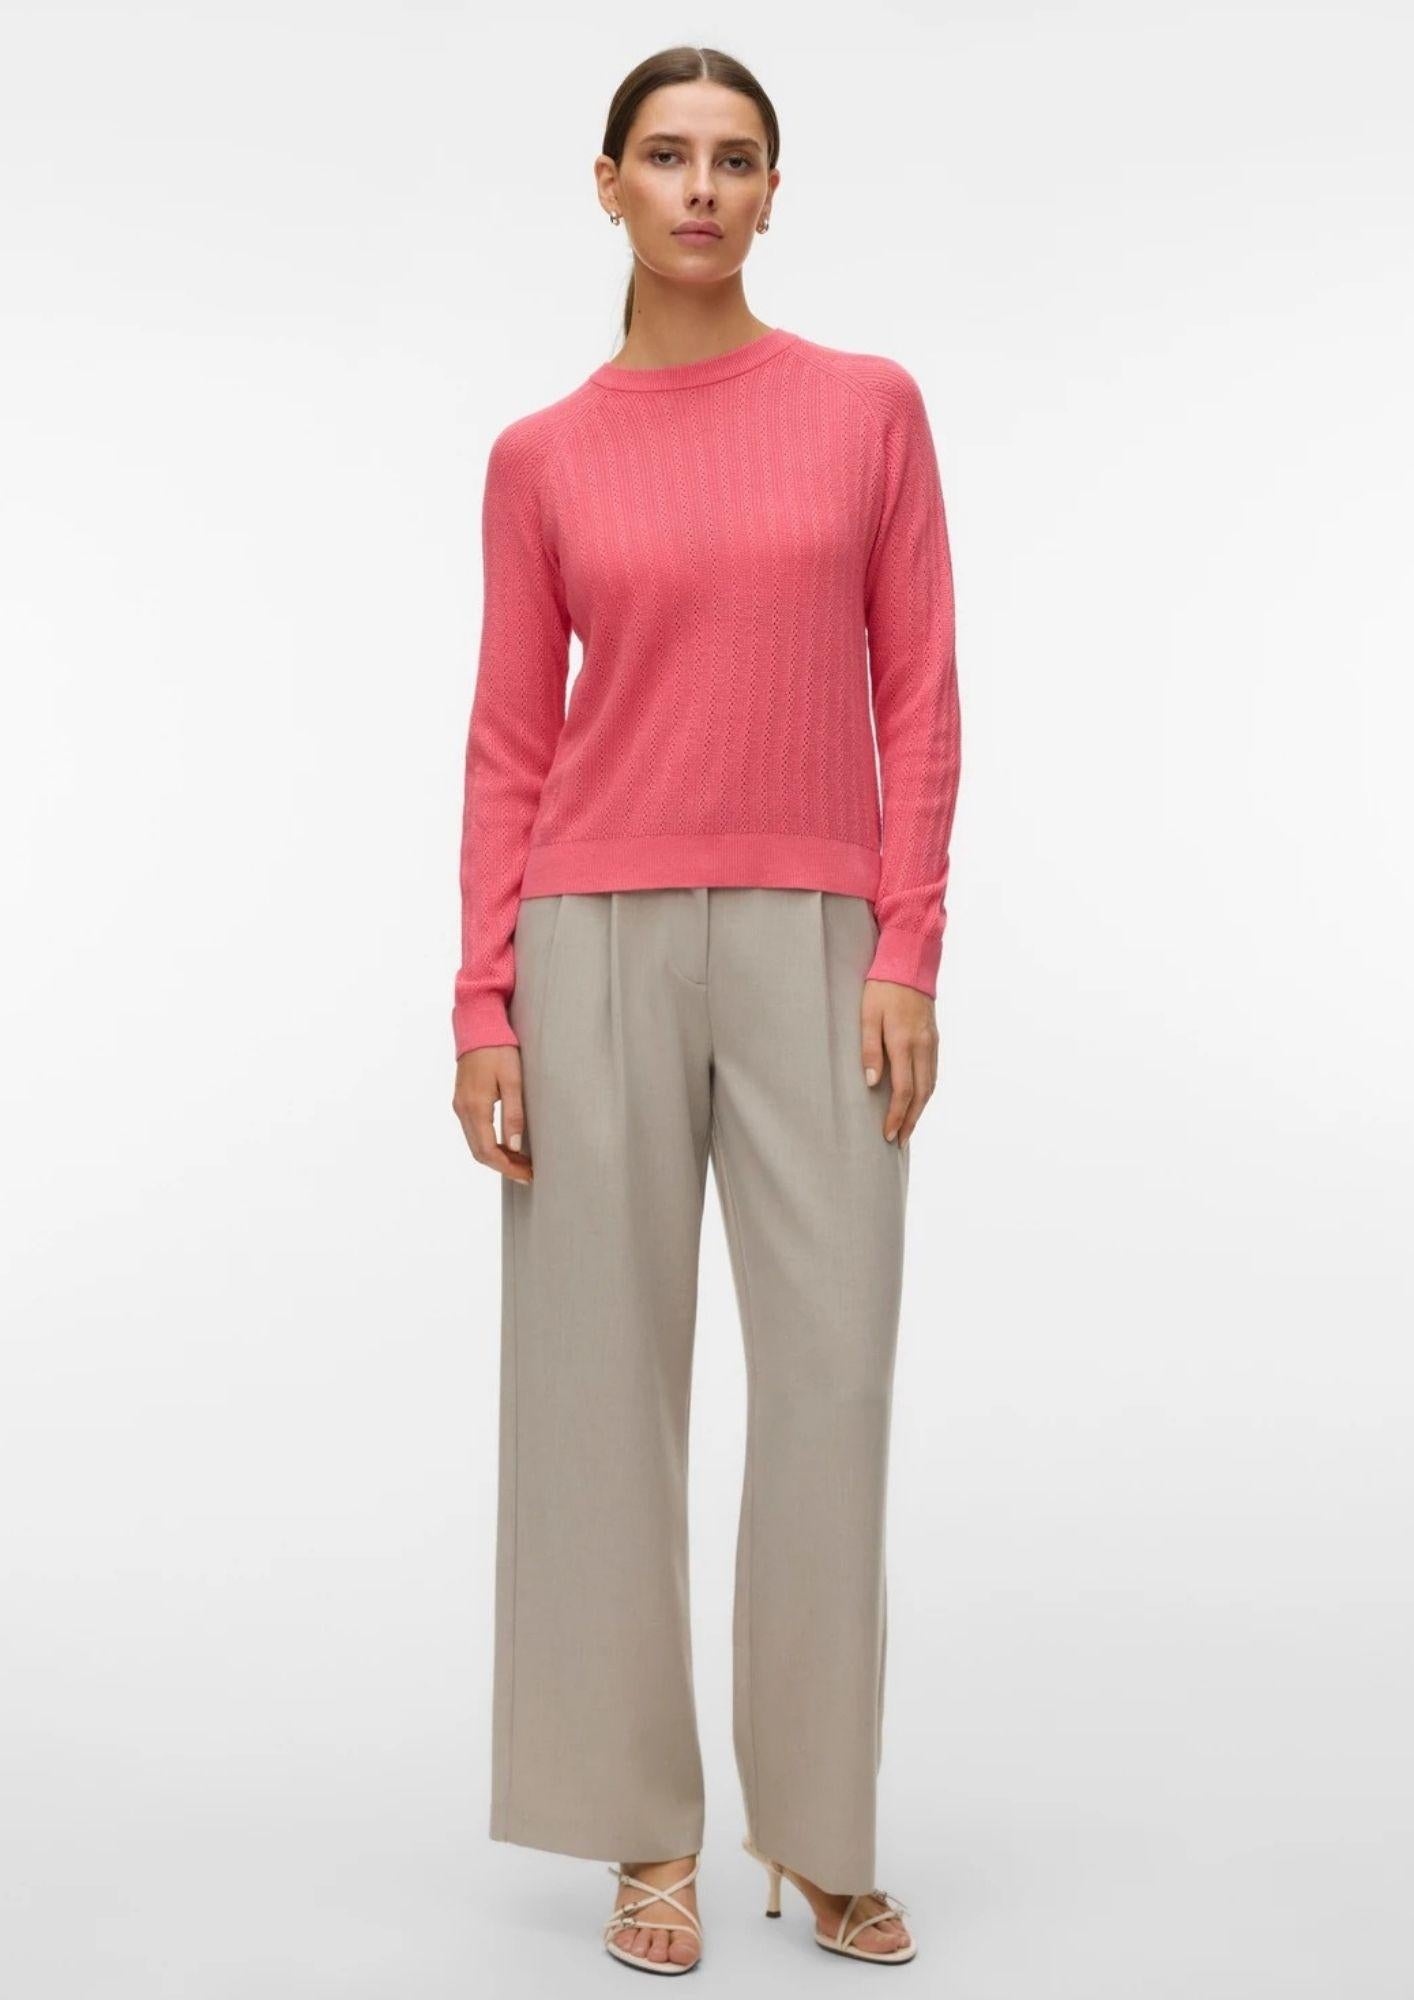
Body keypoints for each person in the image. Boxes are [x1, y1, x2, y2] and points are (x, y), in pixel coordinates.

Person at [451, 42, 961, 1976]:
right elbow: (510, 739)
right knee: (595, 1398)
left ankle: (815, 1833)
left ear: (769, 192)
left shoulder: (865, 408)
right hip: (584, 935)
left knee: (830, 1386)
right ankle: (640, 1835)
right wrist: (482, 1001)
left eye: (734, 159)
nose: (699, 189)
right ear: (607, 185)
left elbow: (919, 696)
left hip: (818, 936)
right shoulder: (542, 455)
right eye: (664, 156)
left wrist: (905, 950)